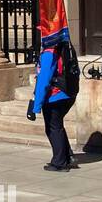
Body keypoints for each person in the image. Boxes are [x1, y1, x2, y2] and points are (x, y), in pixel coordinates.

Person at [27, 36, 78, 172]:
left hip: (55, 96)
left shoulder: (50, 53)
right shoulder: (65, 47)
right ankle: (68, 156)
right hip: (68, 94)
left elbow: (43, 80)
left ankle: (59, 163)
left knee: (52, 128)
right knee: (57, 126)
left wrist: (36, 106)